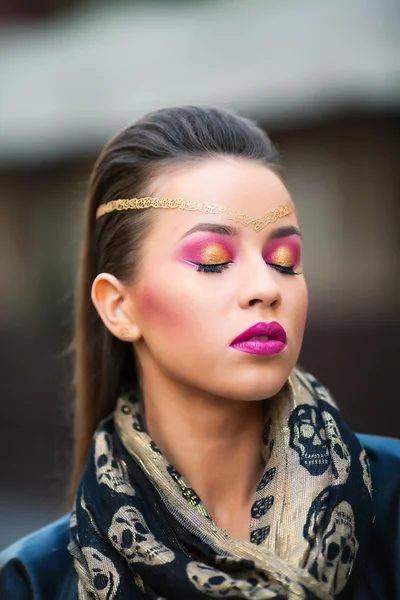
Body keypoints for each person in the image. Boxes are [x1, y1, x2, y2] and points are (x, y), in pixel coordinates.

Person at [0, 106, 399, 600]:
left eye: (284, 260)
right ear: (119, 307)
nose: (264, 287)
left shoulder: (394, 504)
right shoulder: (31, 583)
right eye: (213, 261)